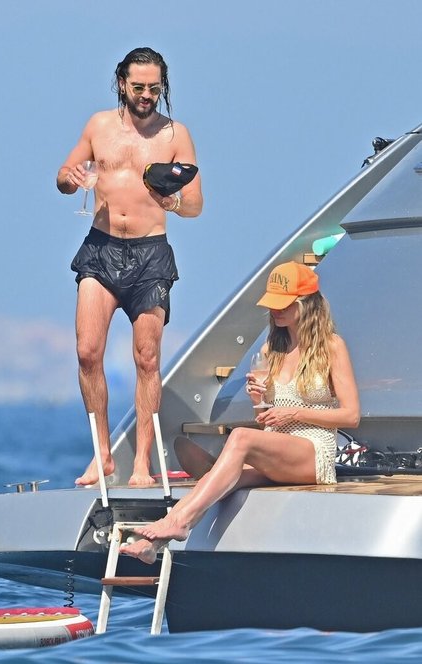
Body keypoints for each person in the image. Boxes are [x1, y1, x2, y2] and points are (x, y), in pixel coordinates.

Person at [120, 261, 360, 563]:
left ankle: (178, 524)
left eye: (283, 304)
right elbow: (265, 418)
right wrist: (259, 399)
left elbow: (351, 416)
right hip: (278, 449)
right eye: (272, 303)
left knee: (240, 439)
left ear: (306, 303)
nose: (274, 310)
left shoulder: (331, 347)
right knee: (217, 478)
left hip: (314, 451)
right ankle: (153, 544)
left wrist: (295, 414)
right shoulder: (271, 350)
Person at [56, 47, 203, 487]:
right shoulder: (99, 126)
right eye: (138, 87)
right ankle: (102, 454)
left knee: (147, 358)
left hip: (150, 254)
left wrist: (170, 202)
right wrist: (71, 180)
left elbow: (194, 205)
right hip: (100, 248)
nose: (146, 95)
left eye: (154, 88)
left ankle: (141, 462)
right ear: (122, 83)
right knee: (87, 352)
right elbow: (64, 175)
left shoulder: (175, 134)